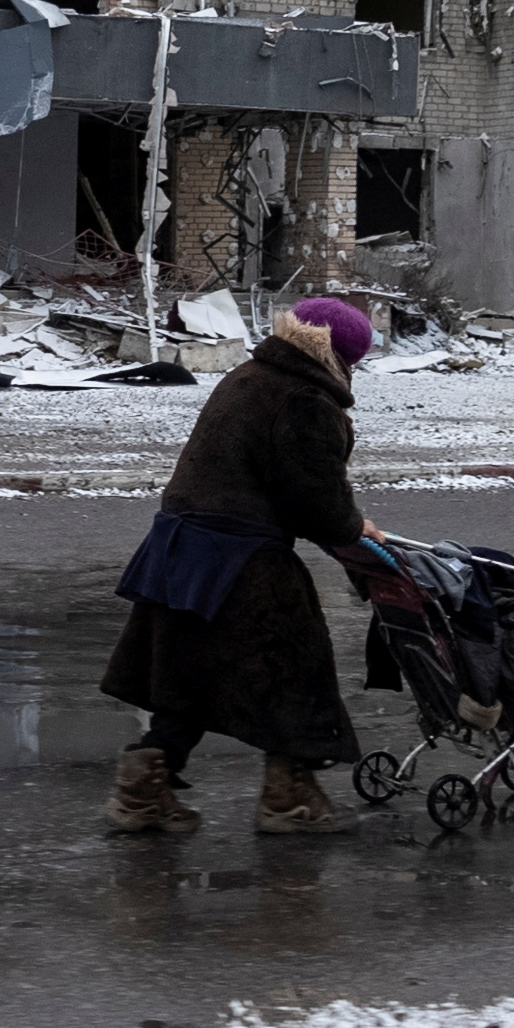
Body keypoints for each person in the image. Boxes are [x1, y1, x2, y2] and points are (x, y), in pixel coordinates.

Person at [100, 296, 382, 835]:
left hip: (181, 550)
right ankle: (289, 797)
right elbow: (316, 503)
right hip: (241, 558)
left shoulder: (250, 374)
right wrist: (355, 531)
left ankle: (144, 783)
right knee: (296, 673)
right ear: (339, 358)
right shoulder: (305, 399)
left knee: (186, 674)